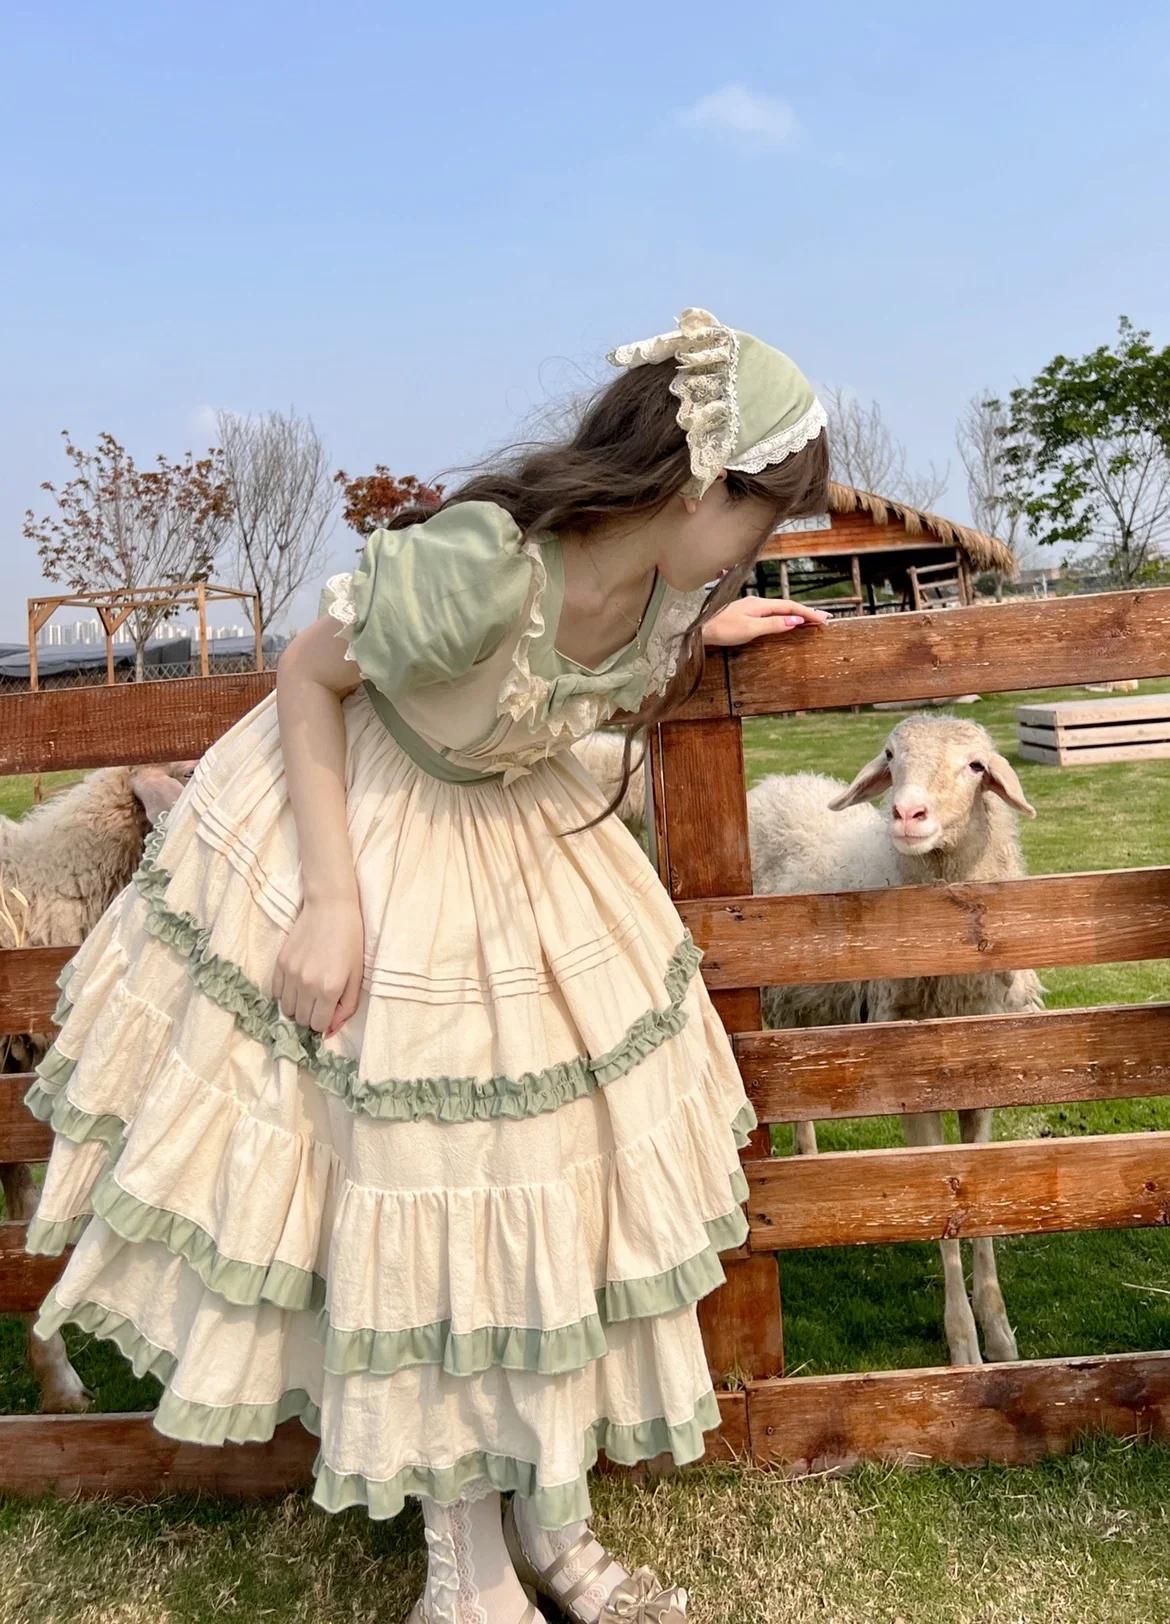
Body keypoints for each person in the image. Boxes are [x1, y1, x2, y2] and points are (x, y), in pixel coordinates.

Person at [24, 307, 830, 1624]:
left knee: (559, 1180)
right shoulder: (481, 564)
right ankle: (467, 1583)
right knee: (443, 1186)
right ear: (698, 485)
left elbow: (616, 660)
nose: (762, 545)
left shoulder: (669, 587)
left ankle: (551, 1528)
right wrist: (332, 903)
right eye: (762, 515)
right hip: (379, 833)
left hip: (516, 845)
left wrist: (705, 638)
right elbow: (305, 675)